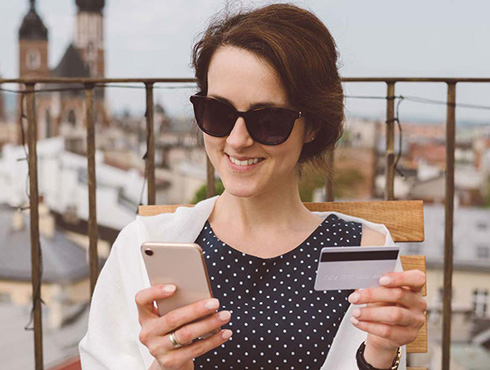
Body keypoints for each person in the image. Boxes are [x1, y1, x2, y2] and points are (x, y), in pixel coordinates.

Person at [79, 3, 426, 370]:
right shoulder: (143, 246)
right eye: (219, 113)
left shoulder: (364, 250)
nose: (237, 139)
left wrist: (383, 353)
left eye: (269, 120)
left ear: (312, 127)